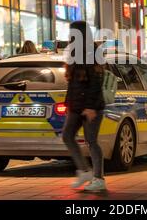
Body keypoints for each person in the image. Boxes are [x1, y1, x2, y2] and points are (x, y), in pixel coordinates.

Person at [62, 21, 106, 192]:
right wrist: (68, 103)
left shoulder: (93, 52)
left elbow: (96, 82)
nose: (70, 36)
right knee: (67, 135)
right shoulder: (73, 52)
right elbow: (72, 83)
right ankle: (85, 171)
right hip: (76, 106)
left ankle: (99, 178)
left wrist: (90, 107)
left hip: (91, 106)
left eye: (72, 33)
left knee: (92, 141)